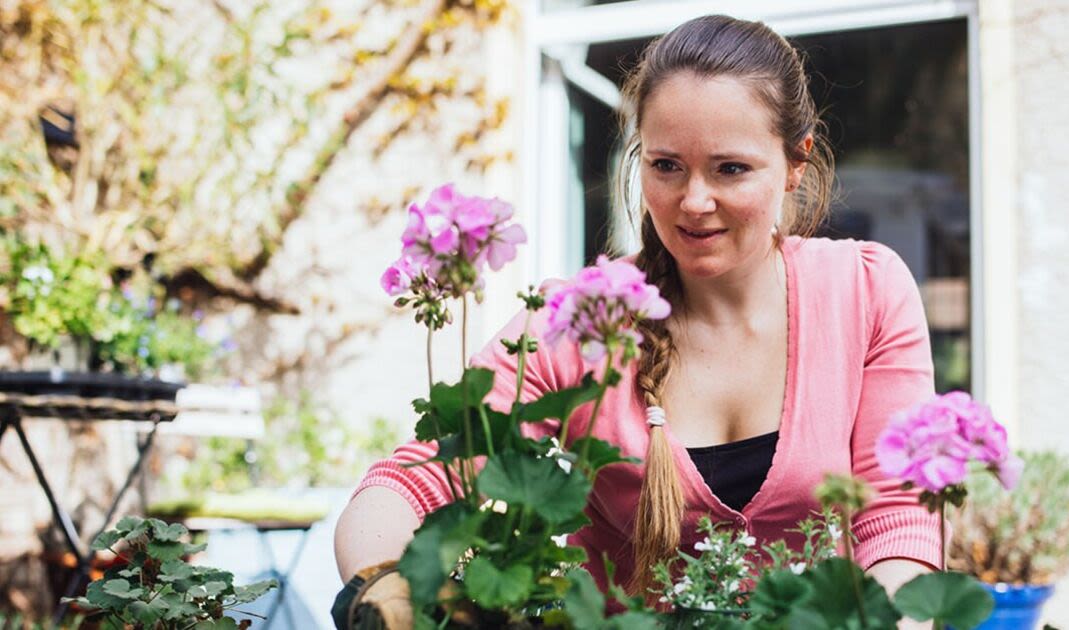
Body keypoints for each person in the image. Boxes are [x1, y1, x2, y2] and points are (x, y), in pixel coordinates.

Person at [335, 12, 940, 616]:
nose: (694, 201)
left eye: (731, 168)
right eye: (666, 165)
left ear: (796, 164)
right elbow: (415, 478)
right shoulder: (582, 319)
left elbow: (898, 523)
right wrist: (384, 586)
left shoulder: (865, 291)